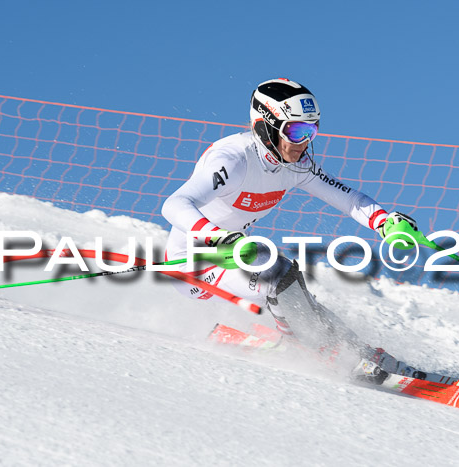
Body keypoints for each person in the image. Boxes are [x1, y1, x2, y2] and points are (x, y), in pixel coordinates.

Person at [161, 78, 420, 382]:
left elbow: (348, 199)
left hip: (231, 253)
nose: (304, 142)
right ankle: (309, 349)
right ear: (265, 126)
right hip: (191, 265)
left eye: (311, 131)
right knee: (277, 274)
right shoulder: (232, 161)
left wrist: (384, 221)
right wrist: (217, 236)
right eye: (296, 131)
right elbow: (175, 204)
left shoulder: (296, 165)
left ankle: (353, 349)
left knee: (294, 291)